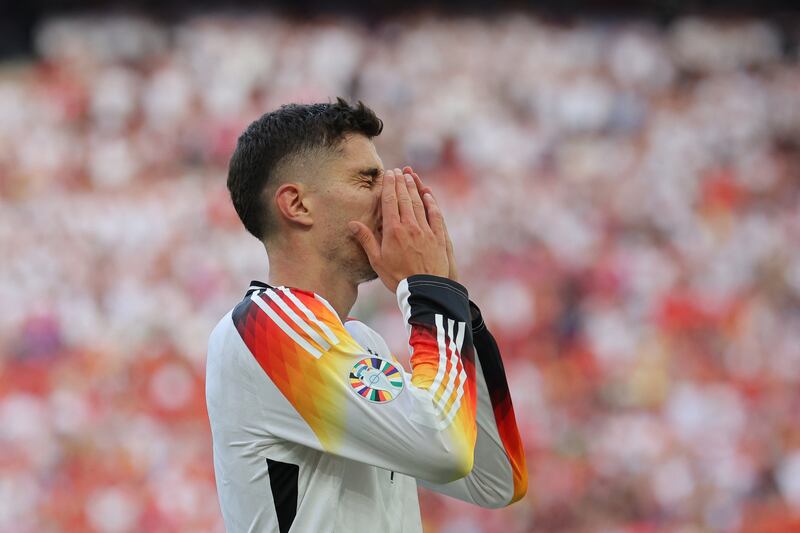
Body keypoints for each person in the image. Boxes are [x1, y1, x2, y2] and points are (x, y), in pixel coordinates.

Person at [206, 98, 527, 533]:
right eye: (367, 179)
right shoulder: (264, 325)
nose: (392, 197)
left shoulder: (361, 344)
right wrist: (432, 293)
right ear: (297, 205)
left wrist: (457, 308)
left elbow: (496, 480)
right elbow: (445, 446)